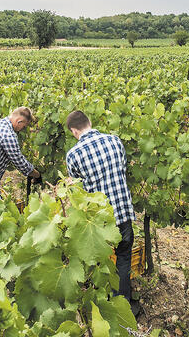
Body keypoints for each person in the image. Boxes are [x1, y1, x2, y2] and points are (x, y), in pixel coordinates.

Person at [64, 110, 140, 315]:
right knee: (123, 256)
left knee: (100, 261)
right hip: (122, 212)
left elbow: (79, 192)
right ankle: (124, 306)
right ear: (90, 122)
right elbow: (122, 170)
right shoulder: (115, 141)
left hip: (99, 221)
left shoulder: (73, 155)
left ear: (74, 131)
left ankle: (103, 306)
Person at [0, 107, 40, 198]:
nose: (23, 129)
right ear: (19, 121)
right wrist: (37, 174)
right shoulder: (8, 134)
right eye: (24, 126)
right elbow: (20, 162)